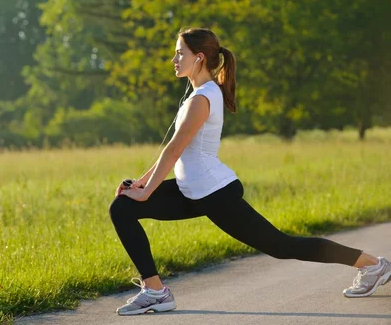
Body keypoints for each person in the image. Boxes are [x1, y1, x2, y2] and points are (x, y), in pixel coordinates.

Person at [108, 27, 391, 316]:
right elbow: (173, 149)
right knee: (122, 207)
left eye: (180, 53)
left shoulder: (202, 99)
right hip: (192, 189)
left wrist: (147, 192)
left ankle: (373, 265)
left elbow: (174, 150)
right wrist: (140, 185)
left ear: (199, 58)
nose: (174, 59)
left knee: (282, 246)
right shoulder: (200, 95)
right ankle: (155, 290)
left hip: (214, 193)